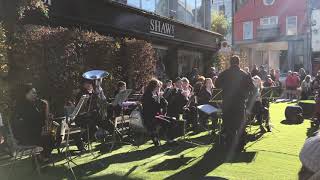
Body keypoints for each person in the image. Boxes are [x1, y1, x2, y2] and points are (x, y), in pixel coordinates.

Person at [215, 55, 254, 152]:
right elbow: (252, 88)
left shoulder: (224, 74)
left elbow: (216, 85)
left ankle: (229, 145)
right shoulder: (245, 74)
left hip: (227, 102)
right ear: (239, 62)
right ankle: (240, 146)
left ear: (230, 63)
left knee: (228, 124)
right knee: (239, 124)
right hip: (239, 102)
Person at [12, 83, 55, 160]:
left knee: (52, 136)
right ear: (26, 94)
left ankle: (43, 156)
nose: (36, 95)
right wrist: (40, 131)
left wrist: (47, 116)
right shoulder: (21, 106)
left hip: (33, 134)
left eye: (36, 93)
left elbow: (37, 119)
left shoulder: (32, 105)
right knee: (49, 138)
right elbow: (24, 125)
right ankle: (42, 157)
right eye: (33, 93)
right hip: (25, 137)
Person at [141, 79, 168, 146]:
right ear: (153, 86)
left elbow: (164, 104)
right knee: (167, 122)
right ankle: (167, 139)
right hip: (150, 117)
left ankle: (166, 139)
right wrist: (159, 98)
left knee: (170, 120)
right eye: (158, 86)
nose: (159, 88)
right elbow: (155, 107)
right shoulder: (148, 95)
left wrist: (160, 97)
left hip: (155, 115)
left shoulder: (153, 94)